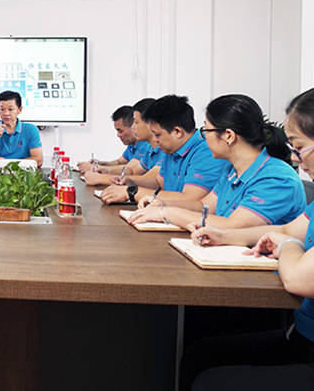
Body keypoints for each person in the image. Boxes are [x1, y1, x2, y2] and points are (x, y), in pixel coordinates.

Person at [181, 88, 314, 391]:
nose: (296, 158)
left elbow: (298, 277)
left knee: (211, 381)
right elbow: (287, 230)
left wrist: (289, 246)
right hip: (302, 334)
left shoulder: (276, 175)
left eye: (299, 147)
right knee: (199, 355)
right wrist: (225, 236)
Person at [127, 94, 306, 229]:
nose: (204, 137)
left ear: (228, 136)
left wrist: (167, 212)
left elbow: (232, 226)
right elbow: (203, 206)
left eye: (206, 130)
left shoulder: (276, 178)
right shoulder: (233, 170)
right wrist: (163, 203)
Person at [100, 95, 227, 205]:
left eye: (157, 135)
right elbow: (158, 182)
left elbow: (190, 198)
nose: (155, 140)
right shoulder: (171, 148)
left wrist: (132, 192)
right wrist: (131, 183)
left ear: (177, 132)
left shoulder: (206, 152)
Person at [78, 102, 152, 183]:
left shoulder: (147, 145)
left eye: (136, 123)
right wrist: (102, 166)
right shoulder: (139, 146)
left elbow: (151, 181)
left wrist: (99, 177)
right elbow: (129, 169)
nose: (134, 127)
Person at [0, 90, 43, 167]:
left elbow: (38, 161)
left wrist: (6, 163)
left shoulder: (31, 130)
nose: (6, 113)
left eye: (10, 109)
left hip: (24, 173)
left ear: (19, 110)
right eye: (2, 109)